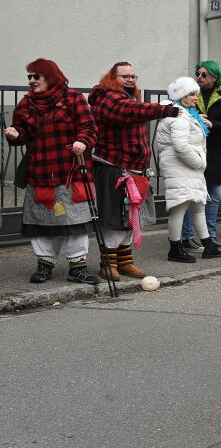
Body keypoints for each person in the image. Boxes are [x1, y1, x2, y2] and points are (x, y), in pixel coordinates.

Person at [4, 59, 98, 284]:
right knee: (42, 220)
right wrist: (15, 134)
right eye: (29, 77)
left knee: (76, 220)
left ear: (50, 76)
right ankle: (44, 265)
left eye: (37, 76)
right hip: (42, 173)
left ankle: (78, 268)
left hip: (71, 172)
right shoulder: (26, 104)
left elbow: (89, 127)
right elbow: (24, 132)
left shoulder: (73, 98)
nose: (32, 81)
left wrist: (82, 141)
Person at [88, 62, 179, 279]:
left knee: (129, 218)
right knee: (113, 218)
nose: (130, 80)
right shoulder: (107, 98)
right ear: (112, 77)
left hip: (133, 170)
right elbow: (128, 111)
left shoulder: (128, 97)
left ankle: (125, 262)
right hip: (112, 168)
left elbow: (132, 109)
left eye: (133, 76)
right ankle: (107, 264)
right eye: (124, 76)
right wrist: (164, 109)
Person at [156, 77, 221, 262]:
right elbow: (180, 147)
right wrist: (200, 163)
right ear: (182, 96)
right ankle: (175, 248)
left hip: (188, 169)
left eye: (196, 94)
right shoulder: (179, 116)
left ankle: (208, 245)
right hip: (182, 168)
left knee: (198, 205)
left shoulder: (186, 113)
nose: (196, 98)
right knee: (180, 207)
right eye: (192, 94)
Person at [180, 61, 221, 254]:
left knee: (214, 194)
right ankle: (187, 237)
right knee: (192, 196)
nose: (200, 78)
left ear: (214, 77)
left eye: (204, 75)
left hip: (213, 151)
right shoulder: (190, 93)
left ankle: (210, 237)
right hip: (194, 150)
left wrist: (212, 124)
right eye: (198, 73)